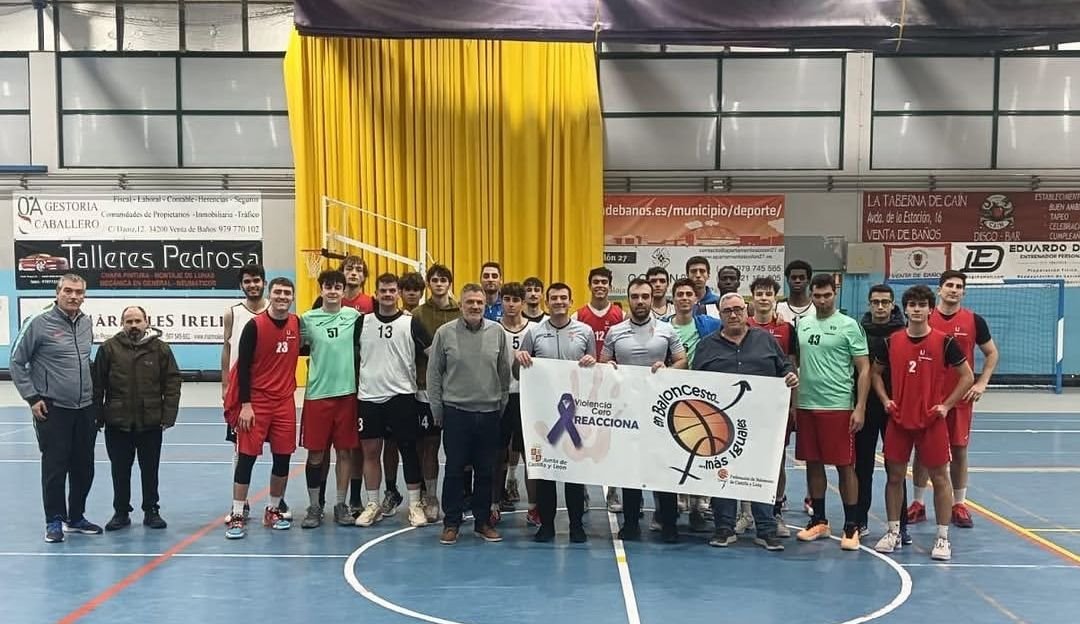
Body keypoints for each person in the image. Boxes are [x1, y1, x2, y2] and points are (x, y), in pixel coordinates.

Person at [872, 285, 973, 561]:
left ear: (930, 309)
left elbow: (967, 376)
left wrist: (947, 405)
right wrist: (884, 399)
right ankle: (893, 531)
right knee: (894, 477)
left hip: (931, 422)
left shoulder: (945, 342)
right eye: (912, 305)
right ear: (905, 309)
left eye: (922, 305)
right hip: (900, 420)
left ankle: (942, 538)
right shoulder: (892, 341)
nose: (916, 309)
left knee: (940, 479)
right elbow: (875, 373)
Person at [693, 292, 799, 551]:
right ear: (720, 314)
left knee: (761, 474)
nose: (733, 314)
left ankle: (766, 529)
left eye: (738, 309)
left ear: (746, 310)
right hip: (721, 424)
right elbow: (694, 383)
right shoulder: (707, 345)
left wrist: (790, 377)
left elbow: (784, 368)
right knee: (722, 473)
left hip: (761, 423)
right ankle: (724, 528)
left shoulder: (765, 340)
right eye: (727, 310)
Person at [11, 274, 101, 543]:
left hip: (84, 408)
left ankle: (76, 517)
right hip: (53, 409)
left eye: (79, 292)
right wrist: (32, 397)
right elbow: (16, 361)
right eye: (69, 291)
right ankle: (54, 521)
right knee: (55, 467)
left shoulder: (86, 322)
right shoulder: (38, 322)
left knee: (84, 466)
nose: (74, 296)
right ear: (58, 292)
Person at [909, 270, 999, 529]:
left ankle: (959, 504)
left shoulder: (974, 320)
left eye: (959, 286)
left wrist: (981, 382)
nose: (954, 290)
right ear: (939, 289)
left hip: (959, 400)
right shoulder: (926, 317)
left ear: (964, 291)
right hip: (928, 398)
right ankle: (918, 502)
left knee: (959, 451)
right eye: (949, 285)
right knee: (923, 452)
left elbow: (991, 354)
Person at [601, 278, 688, 542]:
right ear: (629, 299)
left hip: (661, 411)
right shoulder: (615, 331)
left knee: (663, 468)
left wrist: (668, 371)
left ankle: (669, 523)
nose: (640, 301)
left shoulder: (667, 330)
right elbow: (603, 364)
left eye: (645, 296)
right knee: (630, 469)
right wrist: (609, 369)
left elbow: (683, 360)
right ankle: (630, 524)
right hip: (626, 411)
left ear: (653, 299)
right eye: (635, 296)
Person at [428, 284, 511, 545]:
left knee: (486, 471)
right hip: (456, 413)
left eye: (479, 302)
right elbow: (434, 374)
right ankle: (451, 522)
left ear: (485, 304)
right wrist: (437, 409)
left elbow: (504, 373)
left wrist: (501, 405)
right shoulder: (444, 333)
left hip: (488, 414)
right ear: (461, 305)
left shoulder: (497, 332)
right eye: (470, 302)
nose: (475, 306)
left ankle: (482, 522)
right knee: (454, 470)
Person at [794, 274, 870, 551]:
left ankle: (851, 525)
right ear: (811, 295)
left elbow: (864, 369)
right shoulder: (802, 324)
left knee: (844, 466)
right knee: (813, 463)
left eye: (827, 295)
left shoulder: (849, 326)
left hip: (838, 406)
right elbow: (797, 363)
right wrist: (794, 402)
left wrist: (859, 406)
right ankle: (819, 520)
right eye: (818, 295)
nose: (823, 300)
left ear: (834, 294)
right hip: (806, 405)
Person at [514, 282, 595, 542]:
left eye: (563, 297)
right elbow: (519, 374)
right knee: (547, 471)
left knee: (574, 472)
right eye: (554, 298)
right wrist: (521, 360)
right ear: (547, 303)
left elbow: (597, 373)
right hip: (544, 413)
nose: (559, 302)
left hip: (576, 412)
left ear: (571, 301)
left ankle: (576, 526)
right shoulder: (535, 333)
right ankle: (546, 525)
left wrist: (592, 362)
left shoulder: (585, 332)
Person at [223, 277, 301, 539]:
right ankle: (236, 513)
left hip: (284, 402)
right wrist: (245, 405)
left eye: (287, 293)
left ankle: (274, 508)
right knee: (246, 457)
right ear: (271, 294)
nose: (282, 297)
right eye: (277, 292)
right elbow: (242, 368)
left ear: (292, 297)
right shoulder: (254, 326)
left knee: (283, 457)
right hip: (256, 402)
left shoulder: (296, 323)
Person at [354, 273, 432, 528]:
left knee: (408, 450)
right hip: (368, 396)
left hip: (402, 395)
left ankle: (414, 505)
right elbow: (352, 357)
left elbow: (432, 354)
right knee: (371, 452)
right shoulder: (362, 323)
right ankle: (373, 503)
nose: (387, 295)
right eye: (383, 291)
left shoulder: (411, 322)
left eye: (391, 291)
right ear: (375, 293)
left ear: (398, 293)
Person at [94, 305, 182, 532]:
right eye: (129, 321)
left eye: (137, 321)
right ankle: (121, 512)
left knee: (150, 469)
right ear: (122, 324)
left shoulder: (161, 349)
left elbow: (172, 383)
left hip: (151, 421)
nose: (133, 325)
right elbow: (97, 385)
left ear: (146, 322)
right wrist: (98, 416)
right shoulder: (108, 349)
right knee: (119, 470)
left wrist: (168, 415)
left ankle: (151, 510)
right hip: (117, 422)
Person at [298, 270, 362, 529]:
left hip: (347, 394)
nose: (333, 291)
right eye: (329, 286)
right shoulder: (307, 319)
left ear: (344, 290)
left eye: (338, 287)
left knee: (345, 452)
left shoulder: (355, 317)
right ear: (321, 289)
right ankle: (314, 506)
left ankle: (340, 503)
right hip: (317, 396)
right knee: (316, 454)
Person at [221, 264, 285, 522]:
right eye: (247, 282)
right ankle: (241, 503)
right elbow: (225, 349)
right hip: (242, 391)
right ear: (241, 285)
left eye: (257, 281)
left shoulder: (277, 309)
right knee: (241, 450)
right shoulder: (232, 313)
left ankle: (277, 501)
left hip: (271, 393)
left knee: (279, 450)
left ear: (264, 282)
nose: (252, 285)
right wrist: (226, 386)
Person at [662, 277, 721, 530]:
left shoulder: (708, 325)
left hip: (702, 395)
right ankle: (673, 503)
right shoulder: (662, 326)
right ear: (672, 299)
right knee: (671, 451)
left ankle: (699, 503)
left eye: (689, 294)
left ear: (696, 299)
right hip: (668, 395)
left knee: (701, 449)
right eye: (680, 294)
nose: (684, 298)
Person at [855, 284, 910, 543]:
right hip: (865, 406)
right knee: (862, 467)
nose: (879, 307)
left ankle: (901, 525)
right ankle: (859, 520)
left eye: (884, 302)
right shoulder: (858, 330)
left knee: (895, 469)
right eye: (875, 302)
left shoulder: (904, 332)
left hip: (895, 408)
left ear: (892, 304)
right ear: (869, 303)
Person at [746, 276, 798, 538]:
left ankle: (775, 511)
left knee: (775, 462)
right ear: (752, 297)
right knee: (743, 458)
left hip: (776, 408)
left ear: (776, 297)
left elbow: (792, 366)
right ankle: (746, 513)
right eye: (759, 293)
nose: (764, 298)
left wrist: (793, 405)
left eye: (769, 294)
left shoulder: (787, 329)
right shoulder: (742, 325)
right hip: (745, 405)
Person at [412, 264, 461, 522]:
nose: (439, 284)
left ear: (449, 283)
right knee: (428, 446)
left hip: (457, 391)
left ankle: (461, 496)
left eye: (443, 280)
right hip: (425, 389)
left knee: (457, 449)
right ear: (429, 284)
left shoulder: (461, 311)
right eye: (435, 280)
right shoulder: (417, 314)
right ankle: (430, 496)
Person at [573, 266, 624, 512]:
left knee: (612, 440)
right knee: (583, 438)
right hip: (585, 386)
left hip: (612, 385)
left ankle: (612, 492)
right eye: (596, 282)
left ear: (610, 286)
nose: (600, 285)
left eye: (604, 281)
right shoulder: (579, 315)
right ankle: (582, 492)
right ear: (590, 285)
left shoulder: (619, 315)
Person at [380, 269, 427, 517]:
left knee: (419, 446)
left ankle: (421, 495)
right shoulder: (374, 319)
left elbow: (431, 350)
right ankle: (390, 490)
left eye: (415, 290)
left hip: (419, 391)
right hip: (390, 391)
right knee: (391, 444)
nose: (410, 293)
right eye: (406, 289)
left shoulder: (419, 319)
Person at [493, 283, 535, 524]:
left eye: (515, 299)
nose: (510, 304)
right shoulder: (492, 329)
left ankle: (533, 506)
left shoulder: (536, 329)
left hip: (527, 398)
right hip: (500, 398)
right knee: (497, 454)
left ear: (523, 302)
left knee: (530, 456)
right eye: (506, 299)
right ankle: (494, 504)